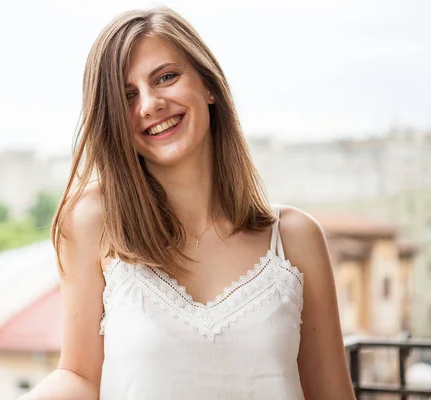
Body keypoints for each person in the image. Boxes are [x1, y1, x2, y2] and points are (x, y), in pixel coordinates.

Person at [20, 6, 354, 400]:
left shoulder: (296, 239)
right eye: (127, 96)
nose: (149, 104)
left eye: (165, 77)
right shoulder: (94, 221)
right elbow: (79, 375)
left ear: (208, 85)